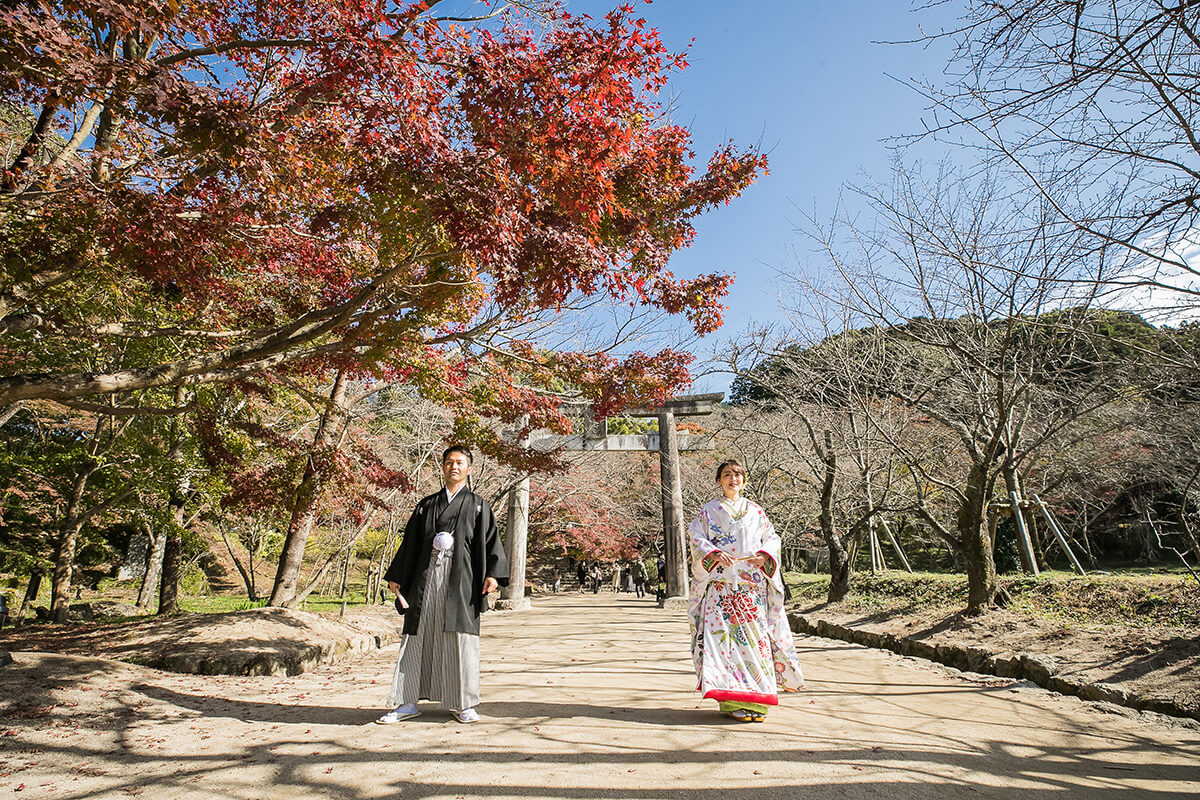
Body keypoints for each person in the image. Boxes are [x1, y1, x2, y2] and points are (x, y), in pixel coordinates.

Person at [376, 446, 508, 725]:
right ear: (443, 467)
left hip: (461, 581)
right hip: (425, 579)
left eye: (460, 463)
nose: (454, 467)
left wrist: (494, 574)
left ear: (469, 469)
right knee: (417, 637)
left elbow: (490, 542)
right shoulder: (426, 505)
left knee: (460, 640)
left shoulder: (478, 505)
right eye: (449, 462)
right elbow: (410, 543)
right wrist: (398, 574)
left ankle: (463, 703)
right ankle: (407, 701)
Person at [687, 458, 804, 723]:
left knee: (756, 643)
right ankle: (731, 701)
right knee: (725, 646)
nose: (733, 479)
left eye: (738, 475)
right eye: (727, 475)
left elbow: (772, 539)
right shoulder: (708, 511)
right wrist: (714, 554)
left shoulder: (757, 512)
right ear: (719, 480)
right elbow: (696, 538)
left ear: (744, 480)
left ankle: (758, 701)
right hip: (721, 590)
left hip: (751, 589)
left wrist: (765, 556)